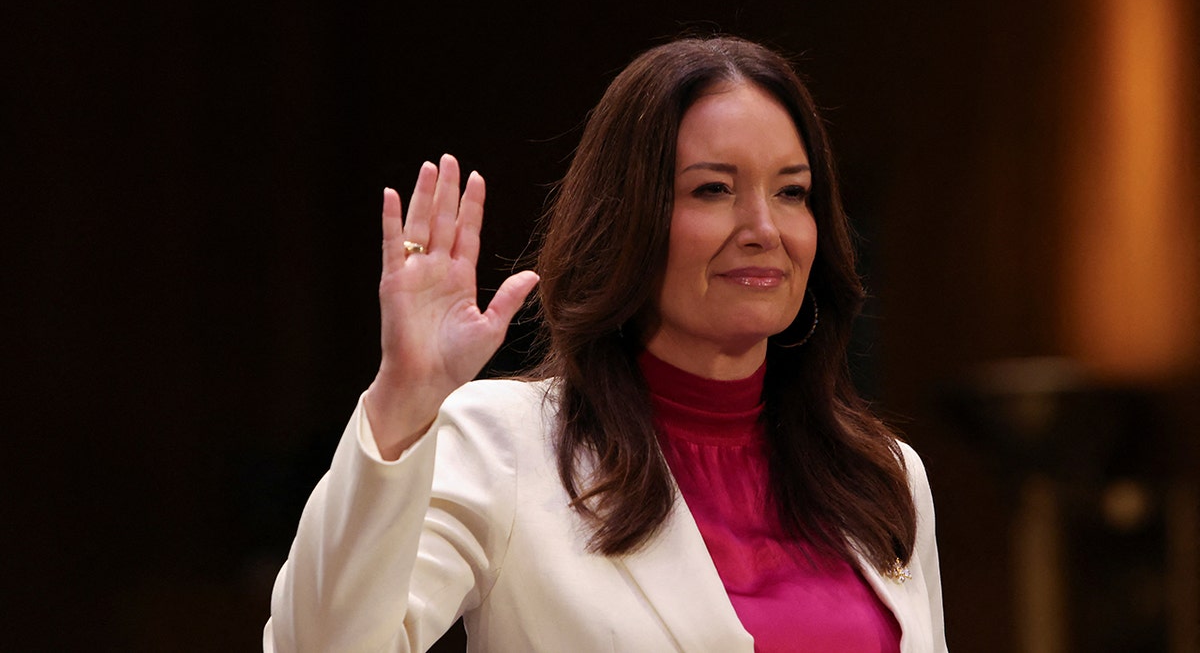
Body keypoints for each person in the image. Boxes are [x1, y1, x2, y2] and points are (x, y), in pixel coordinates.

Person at [265, 36, 946, 652]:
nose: (764, 226)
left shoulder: (883, 474)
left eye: (792, 192)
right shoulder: (503, 442)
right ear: (631, 218)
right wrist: (401, 402)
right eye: (714, 189)